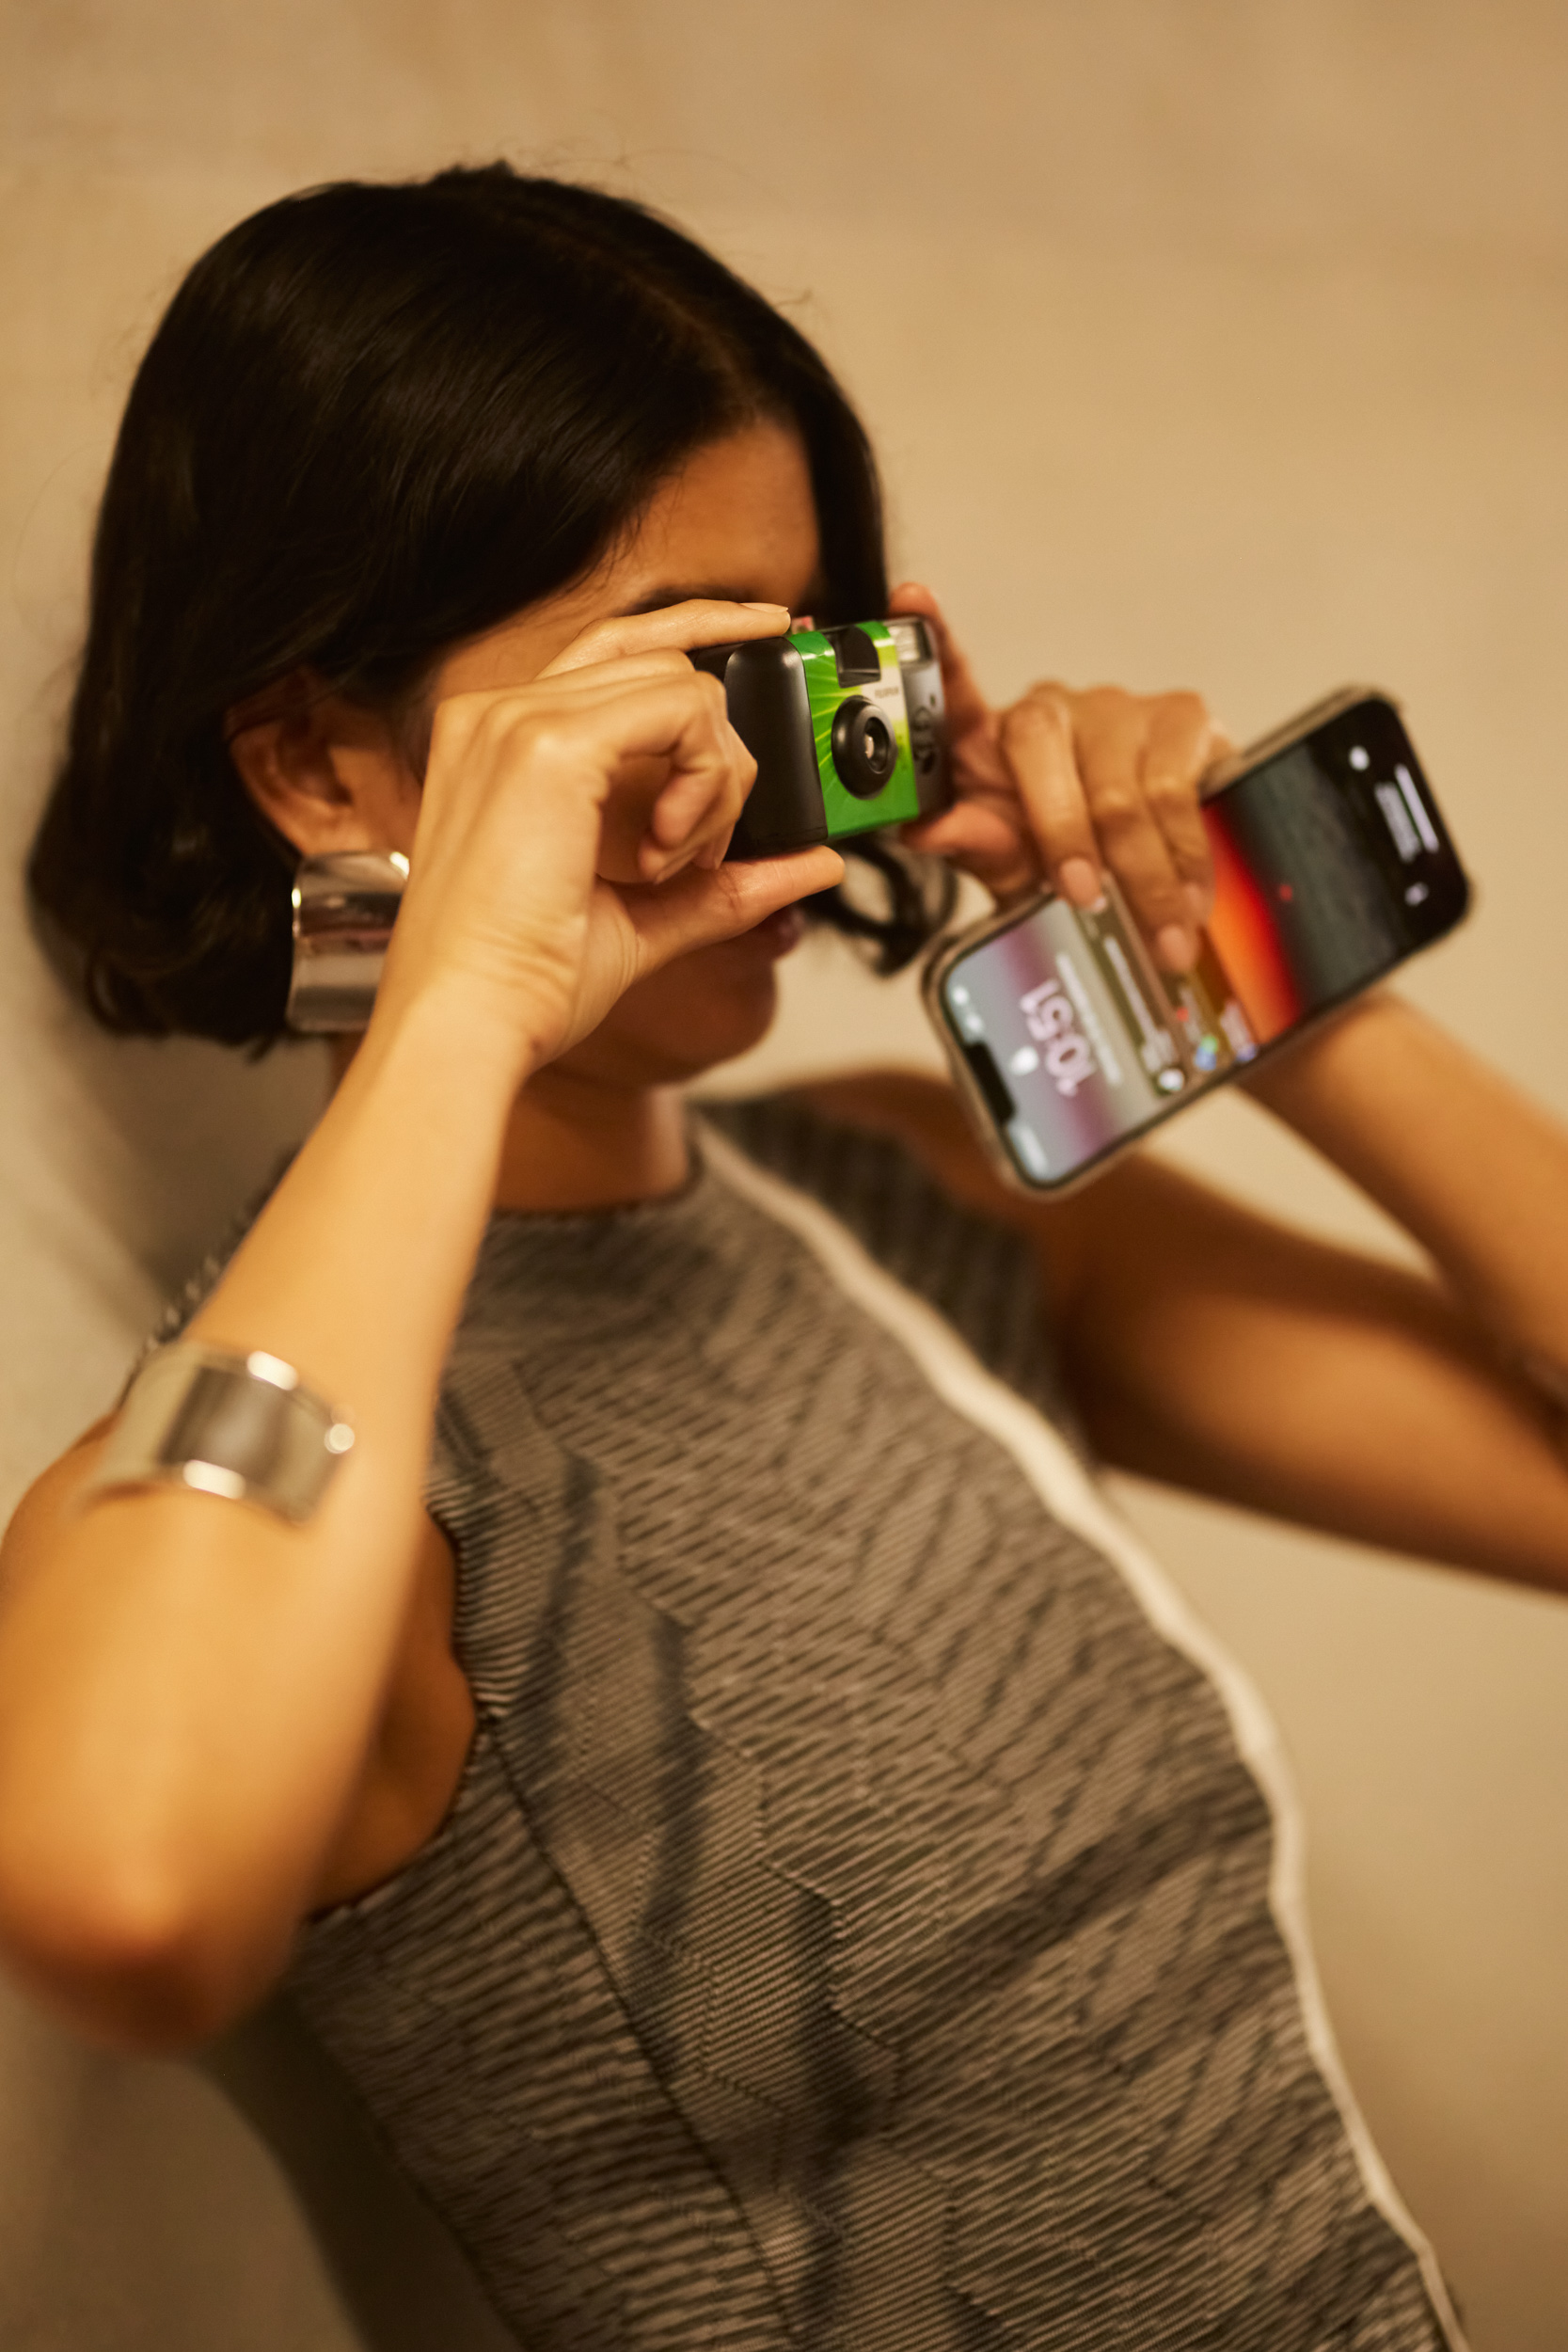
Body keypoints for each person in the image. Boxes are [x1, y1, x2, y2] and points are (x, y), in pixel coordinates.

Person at [0, 163, 1563, 2352]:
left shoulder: (896, 1197)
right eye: (690, 675)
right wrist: (463, 996)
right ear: (318, 763)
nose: (793, 770)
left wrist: (1232, 931)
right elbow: (127, 1884)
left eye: (815, 656)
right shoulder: (304, 1477)